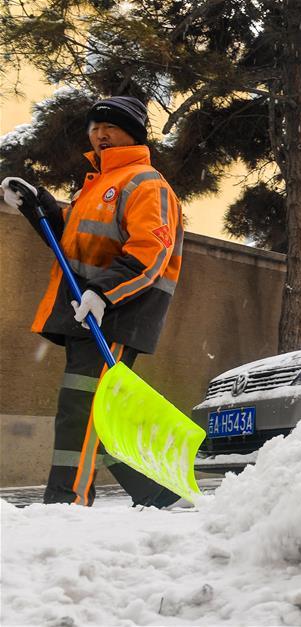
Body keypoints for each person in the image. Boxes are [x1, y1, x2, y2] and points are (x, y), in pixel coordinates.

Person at [1, 96, 184, 507]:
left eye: (111, 127)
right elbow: (69, 240)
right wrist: (38, 205)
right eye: (94, 127)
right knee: (97, 414)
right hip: (89, 314)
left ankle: (67, 503)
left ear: (132, 134)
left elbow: (150, 252)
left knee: (80, 410)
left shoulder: (145, 183)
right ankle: (157, 493)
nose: (99, 134)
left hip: (116, 315)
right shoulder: (98, 184)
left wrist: (103, 293)